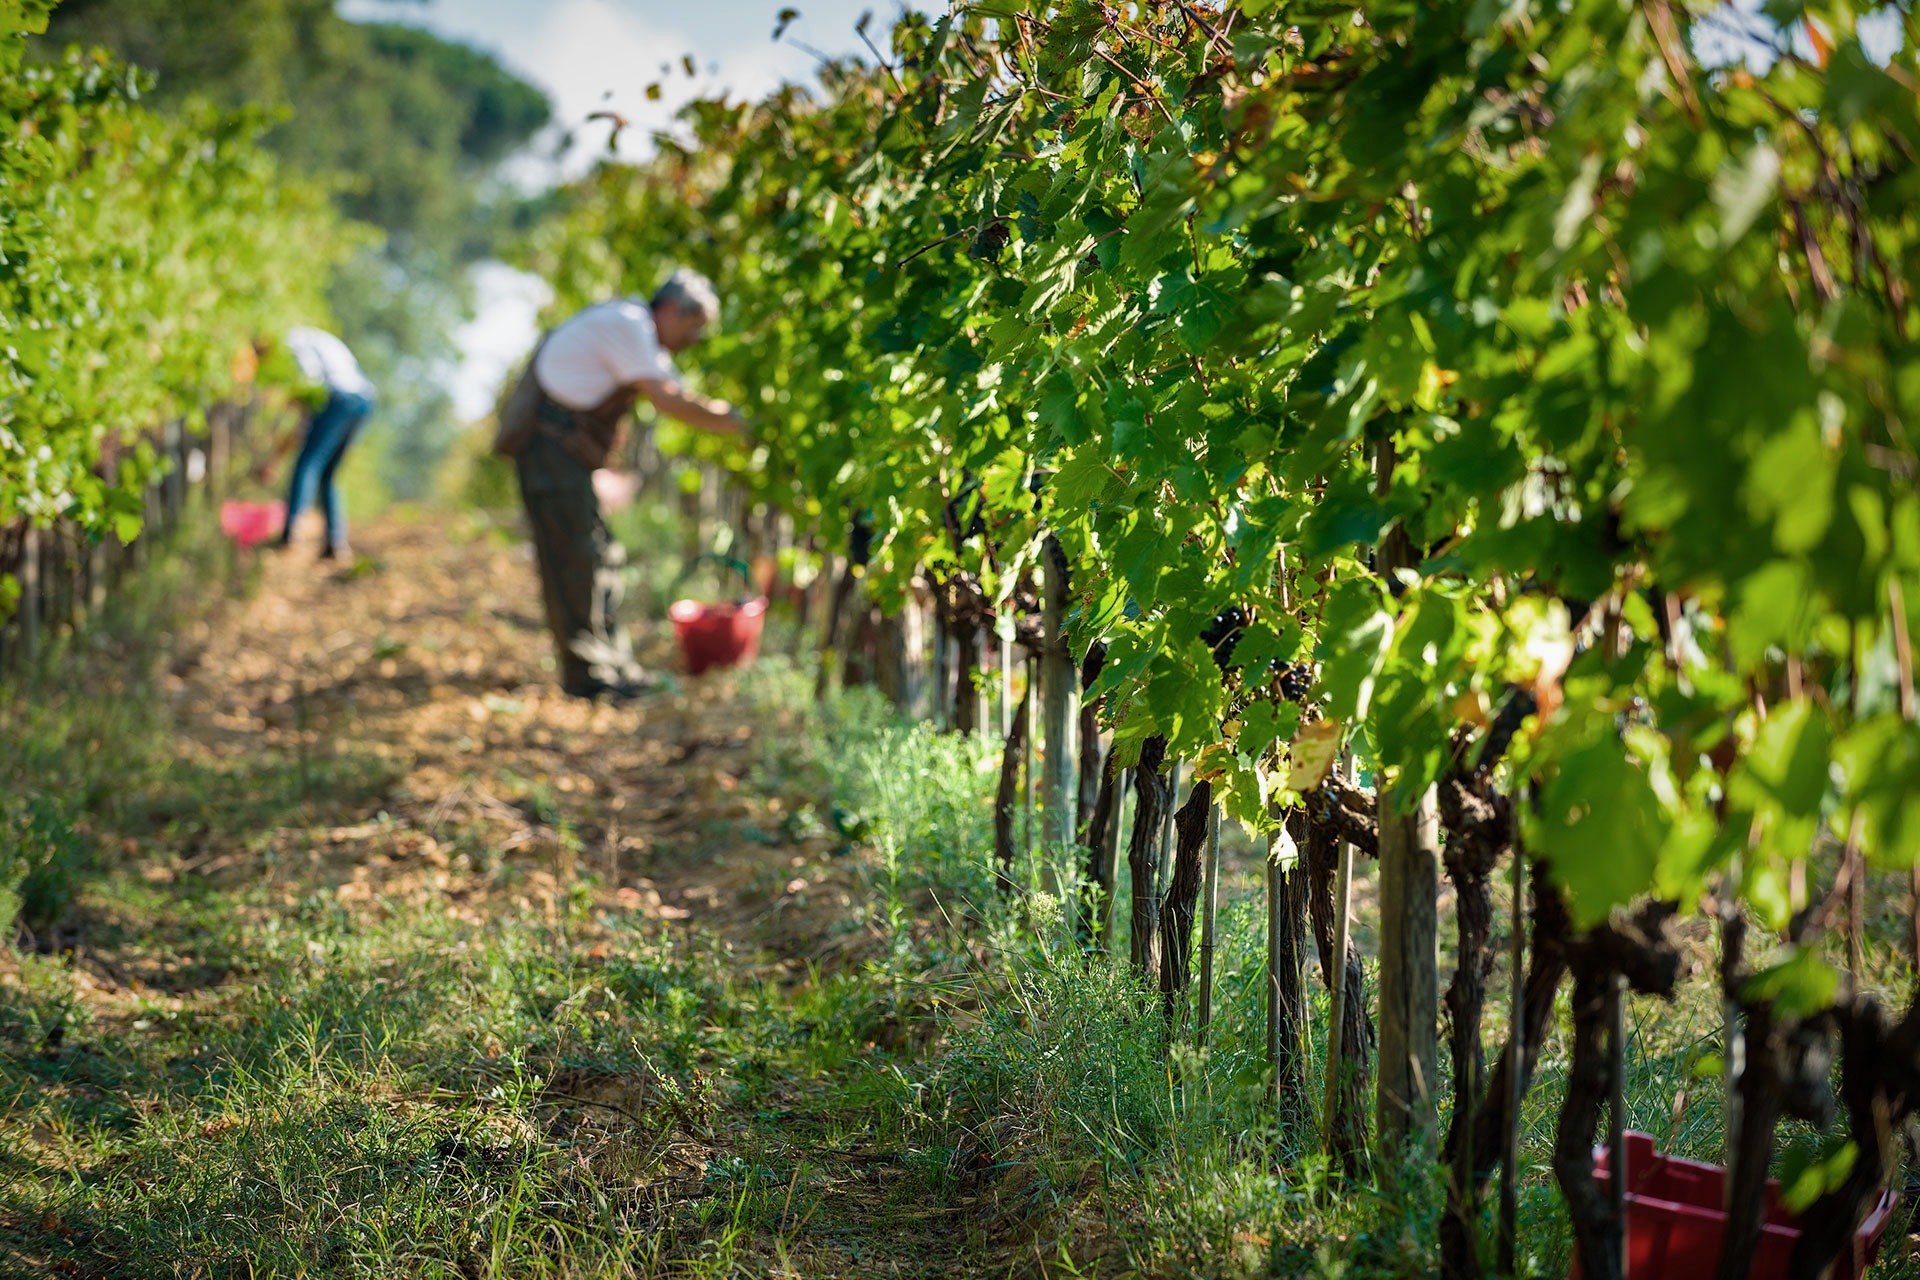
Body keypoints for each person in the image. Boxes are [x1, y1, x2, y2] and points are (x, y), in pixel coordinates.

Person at [494, 268, 744, 701]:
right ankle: (589, 676)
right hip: (548, 448)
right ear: (669, 309)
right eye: (694, 324)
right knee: (576, 555)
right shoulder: (628, 326)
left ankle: (611, 665)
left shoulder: (641, 337)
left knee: (598, 552)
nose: (697, 337)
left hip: (563, 450)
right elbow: (671, 399)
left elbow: (673, 390)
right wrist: (740, 423)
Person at [257, 326, 377, 560]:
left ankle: (291, 532)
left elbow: (309, 394)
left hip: (339, 398)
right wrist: (276, 459)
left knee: (307, 463)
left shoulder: (293, 343)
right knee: (328, 472)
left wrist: (274, 459)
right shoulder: (311, 338)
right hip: (364, 400)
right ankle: (335, 542)